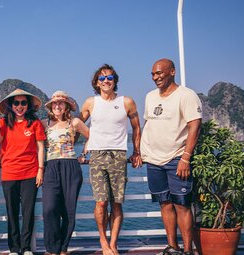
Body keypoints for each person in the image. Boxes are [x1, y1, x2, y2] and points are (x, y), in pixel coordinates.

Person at [140, 58, 202, 255]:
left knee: (182, 205)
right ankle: (172, 248)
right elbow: (148, 125)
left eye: (159, 73)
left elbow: (195, 125)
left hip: (177, 158)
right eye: (153, 74)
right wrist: (141, 152)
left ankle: (188, 250)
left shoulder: (187, 95)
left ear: (172, 72)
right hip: (153, 160)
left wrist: (185, 158)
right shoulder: (150, 96)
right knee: (164, 203)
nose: (155, 77)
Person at [80, 64, 142, 255]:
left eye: (110, 77)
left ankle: (113, 244)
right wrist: (80, 151)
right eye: (102, 78)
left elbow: (137, 128)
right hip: (97, 156)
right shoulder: (91, 102)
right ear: (96, 83)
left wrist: (137, 152)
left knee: (116, 203)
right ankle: (103, 241)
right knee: (100, 202)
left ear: (115, 80)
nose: (106, 81)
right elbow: (76, 125)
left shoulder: (127, 102)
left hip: (119, 155)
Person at [0, 89, 46, 255]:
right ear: (11, 105)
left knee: (28, 212)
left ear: (28, 105)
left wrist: (40, 170)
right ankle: (14, 248)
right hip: (9, 173)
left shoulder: (34, 123)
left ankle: (26, 247)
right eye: (16, 103)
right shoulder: (4, 123)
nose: (20, 106)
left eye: (23, 103)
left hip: (30, 173)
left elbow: (40, 148)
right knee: (12, 211)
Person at [41, 91, 89, 255]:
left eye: (61, 103)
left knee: (68, 210)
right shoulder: (45, 124)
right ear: (50, 107)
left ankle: (62, 248)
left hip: (70, 166)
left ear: (67, 106)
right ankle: (51, 248)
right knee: (49, 208)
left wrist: (83, 154)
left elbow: (92, 136)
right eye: (54, 103)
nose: (57, 106)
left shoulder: (74, 122)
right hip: (51, 167)